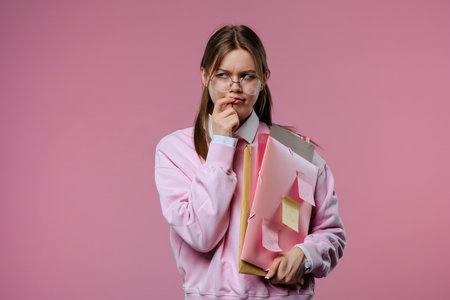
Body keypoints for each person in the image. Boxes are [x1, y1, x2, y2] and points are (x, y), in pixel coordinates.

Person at [154, 24, 346, 300]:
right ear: (205, 75)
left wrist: (304, 255)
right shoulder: (174, 150)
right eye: (223, 75)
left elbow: (331, 233)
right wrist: (221, 144)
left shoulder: (293, 149)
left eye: (246, 76)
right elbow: (202, 235)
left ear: (263, 79)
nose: (235, 88)